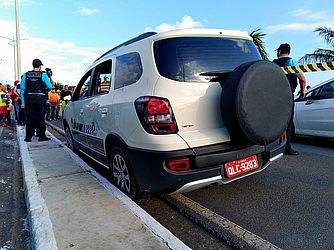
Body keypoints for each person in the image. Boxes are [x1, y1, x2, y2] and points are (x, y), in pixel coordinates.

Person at [273, 43, 306, 155]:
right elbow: (302, 79)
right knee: (288, 121)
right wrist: (302, 91)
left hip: (274, 96)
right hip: (287, 96)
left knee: (274, 120)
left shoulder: (273, 64)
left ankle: (272, 146)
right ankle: (287, 147)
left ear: (280, 51)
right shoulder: (292, 62)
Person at [20, 59, 53, 142]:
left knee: (30, 118)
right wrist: (45, 89)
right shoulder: (43, 75)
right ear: (40, 66)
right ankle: (41, 136)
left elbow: (22, 90)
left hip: (29, 99)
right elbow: (50, 87)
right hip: (40, 99)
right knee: (40, 118)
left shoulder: (26, 75)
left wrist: (23, 102)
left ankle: (28, 137)